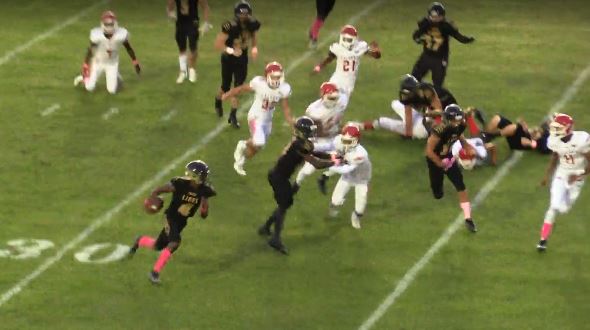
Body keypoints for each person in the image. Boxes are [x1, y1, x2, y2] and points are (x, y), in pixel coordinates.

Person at [259, 117, 340, 254]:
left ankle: (266, 228)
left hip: (281, 177)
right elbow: (315, 163)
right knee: (284, 205)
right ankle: (275, 239)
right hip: (278, 178)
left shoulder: (302, 143)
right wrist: (333, 163)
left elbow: (314, 153)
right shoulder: (299, 145)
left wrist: (331, 157)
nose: (312, 134)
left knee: (284, 204)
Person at [128, 160, 216, 284]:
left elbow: (204, 215)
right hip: (171, 217)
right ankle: (154, 273)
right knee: (175, 242)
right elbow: (158, 190)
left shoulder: (204, 190)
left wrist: (204, 206)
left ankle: (140, 240)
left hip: (182, 222)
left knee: (157, 246)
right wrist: (153, 199)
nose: (204, 178)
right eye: (202, 175)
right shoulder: (180, 184)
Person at [224, 61, 293, 176]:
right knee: (259, 142)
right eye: (274, 76)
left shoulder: (284, 88)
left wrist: (289, 119)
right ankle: (242, 147)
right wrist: (228, 94)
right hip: (256, 116)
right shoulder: (259, 83)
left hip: (267, 120)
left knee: (256, 149)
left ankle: (241, 159)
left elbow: (285, 106)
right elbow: (242, 88)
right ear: (267, 76)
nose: (276, 79)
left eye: (278, 77)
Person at [537, 113, 590, 251]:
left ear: (568, 128)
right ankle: (543, 240)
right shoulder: (554, 140)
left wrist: (581, 175)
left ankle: (561, 207)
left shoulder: (581, 140)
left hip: (577, 175)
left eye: (558, 127)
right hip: (562, 173)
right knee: (553, 206)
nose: (555, 130)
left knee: (564, 209)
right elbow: (555, 156)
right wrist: (547, 175)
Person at [425, 104, 477, 232]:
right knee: (438, 194)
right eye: (455, 120)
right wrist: (439, 163)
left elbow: (459, 135)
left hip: (448, 157)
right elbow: (429, 151)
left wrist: (466, 146)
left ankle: (468, 219)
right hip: (435, 160)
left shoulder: (458, 125)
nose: (457, 123)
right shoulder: (439, 130)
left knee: (460, 184)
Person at [293, 82, 348, 191]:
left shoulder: (341, 100)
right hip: (320, 141)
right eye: (331, 98)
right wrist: (336, 131)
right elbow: (314, 131)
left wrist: (340, 129)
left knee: (345, 161)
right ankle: (296, 184)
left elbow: (339, 117)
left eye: (335, 98)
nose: (334, 100)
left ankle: (323, 178)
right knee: (309, 169)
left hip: (334, 137)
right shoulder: (314, 111)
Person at [214, 0, 261, 128]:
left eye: (246, 14)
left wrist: (254, 48)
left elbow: (254, 36)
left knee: (238, 86)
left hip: (242, 58)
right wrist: (231, 50)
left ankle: (233, 115)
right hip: (228, 58)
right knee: (225, 86)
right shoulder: (230, 26)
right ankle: (218, 101)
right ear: (236, 14)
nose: (244, 17)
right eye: (241, 15)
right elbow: (218, 44)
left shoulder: (252, 24)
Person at [362, 74, 451, 139]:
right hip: (423, 114)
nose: (406, 95)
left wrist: (436, 125)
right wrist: (408, 132)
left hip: (438, 115)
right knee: (395, 103)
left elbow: (439, 112)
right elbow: (408, 111)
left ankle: (375, 123)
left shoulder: (428, 93)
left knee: (420, 134)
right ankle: (369, 125)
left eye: (408, 93)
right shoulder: (411, 95)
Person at [318, 124, 372, 229]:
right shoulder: (340, 141)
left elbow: (345, 168)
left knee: (360, 207)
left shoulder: (360, 154)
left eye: (349, 141)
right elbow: (328, 148)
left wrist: (327, 167)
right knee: (335, 201)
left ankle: (355, 217)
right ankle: (334, 209)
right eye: (345, 140)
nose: (346, 144)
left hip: (361, 179)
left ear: (356, 141)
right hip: (348, 177)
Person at [74, 11, 141, 94]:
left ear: (115, 24)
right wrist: (86, 64)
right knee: (89, 87)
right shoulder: (97, 35)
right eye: (107, 24)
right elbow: (91, 50)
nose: (109, 27)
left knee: (112, 91)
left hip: (112, 63)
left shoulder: (121, 34)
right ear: (102, 24)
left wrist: (135, 62)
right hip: (98, 62)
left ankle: (116, 76)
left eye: (111, 24)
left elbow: (128, 48)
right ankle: (82, 78)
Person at [411, 2, 475, 88]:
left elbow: (457, 36)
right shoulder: (425, 23)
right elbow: (416, 35)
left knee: (438, 86)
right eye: (432, 17)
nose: (434, 19)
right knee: (413, 80)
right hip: (426, 55)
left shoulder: (446, 26)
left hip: (440, 58)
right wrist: (420, 40)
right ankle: (417, 98)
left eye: (437, 17)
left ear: (442, 16)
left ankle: (434, 98)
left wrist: (467, 40)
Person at [312, 24, 381, 103]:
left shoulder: (337, 47)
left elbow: (329, 58)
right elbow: (376, 55)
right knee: (330, 102)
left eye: (348, 39)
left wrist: (319, 66)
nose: (346, 41)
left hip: (343, 82)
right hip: (342, 81)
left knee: (332, 103)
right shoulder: (360, 46)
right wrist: (376, 48)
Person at [166, 0, 212, 84]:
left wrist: (206, 23)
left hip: (193, 21)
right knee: (182, 47)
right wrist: (170, 12)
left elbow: (205, 7)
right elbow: (170, 4)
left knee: (193, 46)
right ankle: (183, 71)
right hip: (180, 22)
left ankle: (192, 70)